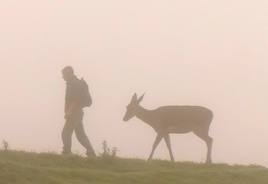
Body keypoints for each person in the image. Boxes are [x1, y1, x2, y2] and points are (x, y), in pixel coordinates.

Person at [61, 66, 96, 157]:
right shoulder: (72, 83)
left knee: (66, 132)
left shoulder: (74, 83)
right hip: (77, 112)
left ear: (69, 74)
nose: (63, 77)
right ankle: (91, 152)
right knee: (80, 135)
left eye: (64, 74)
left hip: (75, 112)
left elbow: (75, 100)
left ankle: (67, 152)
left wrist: (69, 112)